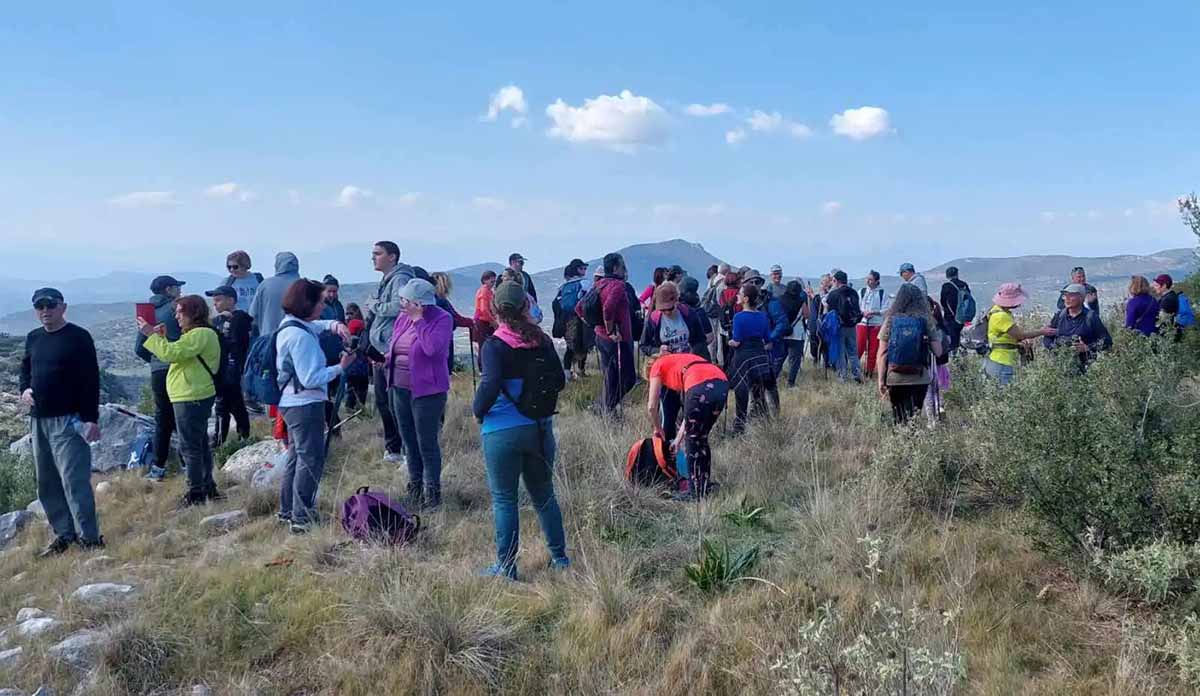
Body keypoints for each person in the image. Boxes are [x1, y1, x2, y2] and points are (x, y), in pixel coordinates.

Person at [473, 282, 569, 579]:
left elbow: (489, 385)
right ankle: (560, 559)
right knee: (544, 496)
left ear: (495, 311)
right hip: (540, 428)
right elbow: (561, 382)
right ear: (526, 307)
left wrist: (478, 411)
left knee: (504, 499)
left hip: (502, 430)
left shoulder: (494, 345)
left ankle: (507, 567)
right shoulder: (541, 341)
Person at [20, 288, 104, 557]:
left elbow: (91, 380)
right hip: (38, 420)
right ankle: (64, 535)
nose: (45, 310)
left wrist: (91, 419)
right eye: (40, 306)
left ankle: (90, 539)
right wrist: (25, 389)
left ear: (63, 307)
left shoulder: (78, 337)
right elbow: (25, 369)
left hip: (70, 420)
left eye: (51, 305)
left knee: (74, 480)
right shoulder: (33, 338)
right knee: (47, 482)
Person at [272, 279, 355, 533]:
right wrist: (341, 367)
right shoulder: (300, 338)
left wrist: (333, 325)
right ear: (307, 303)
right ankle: (302, 517)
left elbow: (313, 326)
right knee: (310, 460)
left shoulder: (290, 325)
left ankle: (288, 511)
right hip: (305, 404)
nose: (323, 305)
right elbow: (311, 377)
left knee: (296, 457)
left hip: (291, 402)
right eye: (319, 301)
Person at [137, 295, 223, 506]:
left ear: (193, 313)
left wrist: (151, 335)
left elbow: (171, 354)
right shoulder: (198, 334)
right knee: (199, 444)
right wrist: (163, 339)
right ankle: (207, 487)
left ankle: (195, 494)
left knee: (190, 447)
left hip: (191, 396)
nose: (176, 316)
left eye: (179, 312)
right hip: (192, 394)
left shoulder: (201, 334)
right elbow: (178, 353)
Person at [386, 278, 453, 510]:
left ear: (419, 303)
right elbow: (395, 344)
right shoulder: (402, 317)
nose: (402, 303)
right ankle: (414, 489)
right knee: (408, 442)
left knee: (427, 443)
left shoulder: (442, 319)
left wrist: (418, 321)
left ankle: (432, 495)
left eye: (405, 300)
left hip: (427, 392)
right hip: (400, 388)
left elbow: (432, 349)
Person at [646, 353, 727, 500]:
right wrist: (677, 440)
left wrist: (659, 429)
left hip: (700, 387)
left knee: (693, 440)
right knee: (700, 438)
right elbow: (689, 414)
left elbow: (651, 407)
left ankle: (694, 491)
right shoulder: (682, 361)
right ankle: (704, 484)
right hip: (721, 383)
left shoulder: (657, 366)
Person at [640, 282, 710, 441]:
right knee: (668, 416)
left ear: (677, 301)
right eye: (662, 309)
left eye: (670, 308)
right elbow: (644, 345)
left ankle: (690, 446)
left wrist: (696, 358)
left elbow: (700, 340)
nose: (666, 312)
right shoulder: (654, 319)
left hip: (689, 373)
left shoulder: (689, 314)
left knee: (691, 413)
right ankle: (668, 452)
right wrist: (658, 351)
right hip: (667, 375)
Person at [365, 241, 414, 464]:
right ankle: (393, 447)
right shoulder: (388, 279)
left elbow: (399, 307)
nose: (373, 257)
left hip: (392, 349)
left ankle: (405, 450)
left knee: (396, 402)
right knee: (384, 401)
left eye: (378, 253)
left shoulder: (400, 279)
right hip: (381, 349)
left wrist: (374, 305)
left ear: (392, 256)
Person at [134, 274, 184, 482]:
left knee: (163, 419)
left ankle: (158, 468)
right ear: (168, 290)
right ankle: (187, 463)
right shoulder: (176, 309)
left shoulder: (148, 313)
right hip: (178, 367)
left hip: (158, 371)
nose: (180, 291)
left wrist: (156, 359)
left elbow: (139, 348)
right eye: (177, 288)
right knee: (182, 415)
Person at [875, 284, 945, 424]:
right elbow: (938, 352)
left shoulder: (890, 320)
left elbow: (882, 353)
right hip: (920, 377)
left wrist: (881, 380)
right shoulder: (926, 321)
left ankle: (900, 441)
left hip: (895, 377)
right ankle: (912, 442)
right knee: (914, 416)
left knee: (899, 416)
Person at [581, 253, 636, 415]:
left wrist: (597, 326)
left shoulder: (599, 284)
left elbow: (580, 308)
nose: (624, 269)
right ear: (615, 268)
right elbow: (608, 308)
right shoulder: (618, 285)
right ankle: (607, 409)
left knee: (610, 377)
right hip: (618, 340)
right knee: (628, 379)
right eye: (622, 265)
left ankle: (604, 409)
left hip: (601, 338)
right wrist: (610, 330)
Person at [728, 284, 779, 434]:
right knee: (759, 389)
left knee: (741, 391)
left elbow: (736, 341)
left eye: (740, 294)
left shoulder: (739, 317)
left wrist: (729, 342)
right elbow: (768, 342)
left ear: (745, 299)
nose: (737, 296)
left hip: (743, 357)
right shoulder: (762, 316)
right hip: (760, 357)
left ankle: (740, 425)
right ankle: (763, 420)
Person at [983, 283, 1056, 385]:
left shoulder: (995, 310)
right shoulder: (1001, 316)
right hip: (1002, 361)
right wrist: (1042, 331)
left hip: (996, 360)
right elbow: (1020, 335)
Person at [206, 286, 252, 447]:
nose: (215, 304)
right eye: (214, 301)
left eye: (218, 300)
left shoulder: (239, 319)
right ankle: (240, 437)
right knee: (233, 404)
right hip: (225, 368)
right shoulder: (224, 319)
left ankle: (221, 442)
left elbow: (234, 344)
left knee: (224, 405)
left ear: (231, 300)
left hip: (230, 368)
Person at [1045, 283, 1112, 369]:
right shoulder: (1059, 316)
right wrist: (1056, 349)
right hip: (1061, 368)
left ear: (1081, 298)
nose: (1067, 298)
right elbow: (1047, 336)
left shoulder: (1091, 317)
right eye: (1065, 295)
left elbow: (1107, 341)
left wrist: (1087, 348)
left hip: (1086, 369)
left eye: (1071, 295)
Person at [431, 271, 476, 373]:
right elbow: (454, 318)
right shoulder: (441, 302)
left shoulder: (433, 301)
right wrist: (470, 322)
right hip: (444, 341)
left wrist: (469, 322)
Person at [824, 271, 864, 383]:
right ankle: (857, 374)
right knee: (853, 352)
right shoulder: (854, 292)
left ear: (836, 281)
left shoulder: (834, 294)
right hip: (852, 325)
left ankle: (842, 376)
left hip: (839, 327)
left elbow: (827, 306)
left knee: (840, 352)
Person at [248, 252, 301, 335]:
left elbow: (253, 314)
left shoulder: (265, 284)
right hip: (296, 337)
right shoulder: (304, 286)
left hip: (268, 337)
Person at [557, 260, 591, 379]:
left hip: (567, 319)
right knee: (583, 344)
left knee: (570, 346)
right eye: (583, 268)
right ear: (578, 269)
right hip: (581, 318)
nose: (584, 271)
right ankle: (580, 370)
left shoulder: (563, 287)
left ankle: (567, 372)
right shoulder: (584, 283)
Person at [857, 271, 888, 378]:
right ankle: (855, 369)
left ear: (877, 281)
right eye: (867, 279)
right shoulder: (862, 291)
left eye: (870, 279)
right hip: (862, 323)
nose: (868, 281)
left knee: (873, 349)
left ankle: (869, 371)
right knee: (859, 347)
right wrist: (863, 312)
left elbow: (886, 308)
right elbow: (858, 305)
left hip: (876, 324)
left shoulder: (882, 293)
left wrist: (874, 313)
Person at [779, 281, 808, 387]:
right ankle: (790, 383)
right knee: (795, 361)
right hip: (797, 333)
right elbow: (807, 315)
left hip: (782, 332)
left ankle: (774, 379)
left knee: (779, 358)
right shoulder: (801, 301)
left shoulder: (780, 300)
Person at [343, 304, 371, 411]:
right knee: (361, 388)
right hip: (359, 361)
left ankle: (351, 408)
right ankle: (358, 409)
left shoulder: (353, 324)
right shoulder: (360, 324)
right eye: (347, 313)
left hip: (354, 361)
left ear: (357, 312)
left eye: (351, 313)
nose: (349, 316)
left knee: (353, 387)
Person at [939, 266, 971, 352]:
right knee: (961, 337)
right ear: (957, 274)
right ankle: (962, 354)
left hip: (951, 317)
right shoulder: (964, 285)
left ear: (947, 275)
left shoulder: (946, 286)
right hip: (964, 317)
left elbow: (943, 301)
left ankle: (955, 357)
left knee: (952, 341)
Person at [474, 270, 498, 370]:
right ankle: (483, 368)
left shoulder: (489, 291)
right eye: (491, 282)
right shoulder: (484, 291)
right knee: (484, 346)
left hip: (487, 321)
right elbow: (484, 310)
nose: (493, 284)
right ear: (485, 280)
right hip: (483, 322)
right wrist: (493, 322)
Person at [806, 274, 832, 367]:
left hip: (825, 326)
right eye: (823, 282)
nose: (824, 285)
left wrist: (813, 297)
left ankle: (827, 365)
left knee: (825, 347)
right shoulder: (817, 296)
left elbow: (823, 306)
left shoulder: (830, 295)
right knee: (814, 346)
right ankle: (815, 362)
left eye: (827, 282)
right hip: (814, 326)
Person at [1153, 274, 1185, 341]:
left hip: (1167, 336)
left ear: (1164, 286)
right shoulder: (1171, 296)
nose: (1154, 287)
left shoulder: (1168, 300)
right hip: (1172, 334)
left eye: (1157, 285)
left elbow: (1161, 320)